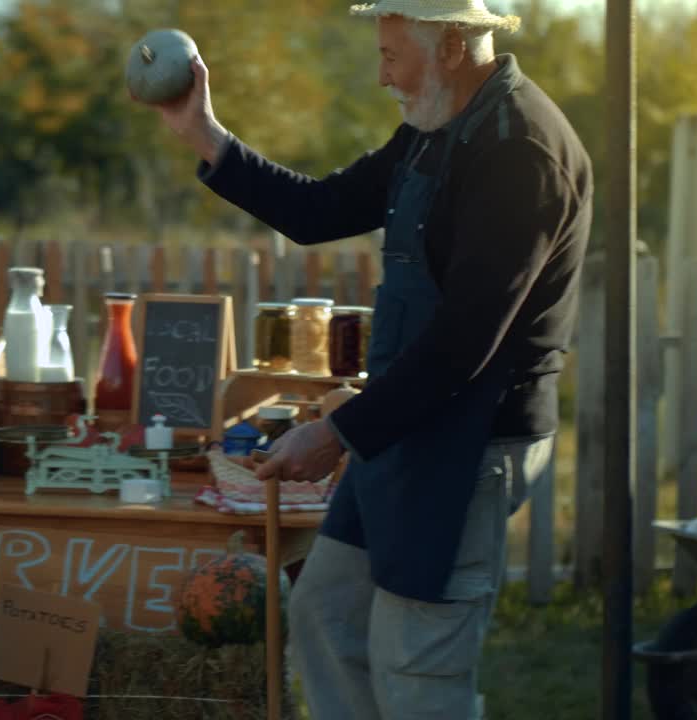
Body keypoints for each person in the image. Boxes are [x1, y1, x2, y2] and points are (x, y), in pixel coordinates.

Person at [144, 0, 592, 717]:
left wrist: (337, 432)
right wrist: (204, 134)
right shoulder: (432, 129)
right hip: (401, 424)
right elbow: (319, 210)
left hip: (473, 438)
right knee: (326, 614)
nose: (381, 74)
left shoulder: (520, 151)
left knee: (416, 664)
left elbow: (464, 344)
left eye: (391, 55)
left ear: (449, 45)